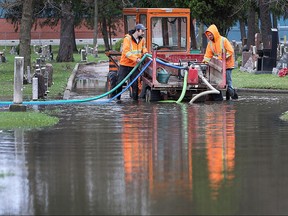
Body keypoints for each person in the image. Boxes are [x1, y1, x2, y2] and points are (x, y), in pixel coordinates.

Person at [203, 24, 238, 100]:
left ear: (214, 33)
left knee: (228, 83)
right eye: (208, 35)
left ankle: (234, 96)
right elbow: (207, 55)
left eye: (211, 35)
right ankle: (224, 98)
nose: (209, 37)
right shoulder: (210, 44)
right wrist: (204, 63)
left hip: (227, 66)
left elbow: (230, 51)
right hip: (218, 67)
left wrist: (223, 58)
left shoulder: (223, 40)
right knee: (218, 82)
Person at [116, 23, 148, 101]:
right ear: (137, 31)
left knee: (135, 84)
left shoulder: (142, 39)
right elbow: (126, 52)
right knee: (120, 82)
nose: (143, 33)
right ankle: (118, 99)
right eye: (142, 31)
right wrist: (136, 58)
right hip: (125, 65)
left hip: (134, 66)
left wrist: (145, 52)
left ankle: (135, 101)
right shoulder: (127, 39)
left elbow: (143, 47)